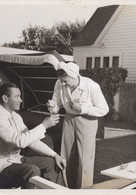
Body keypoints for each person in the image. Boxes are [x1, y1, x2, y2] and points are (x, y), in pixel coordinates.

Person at [0, 82, 66, 189]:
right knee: (32, 170)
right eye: (17, 96)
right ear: (5, 98)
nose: (21, 100)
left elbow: (31, 141)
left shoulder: (15, 116)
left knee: (51, 162)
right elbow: (19, 141)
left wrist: (55, 155)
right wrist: (44, 125)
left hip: (14, 160)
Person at [47, 61, 109, 189]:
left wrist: (83, 109)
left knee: (85, 159)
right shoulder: (59, 83)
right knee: (66, 155)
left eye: (66, 81)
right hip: (69, 119)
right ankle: (65, 187)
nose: (63, 84)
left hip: (87, 121)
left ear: (74, 75)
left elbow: (104, 109)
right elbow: (56, 102)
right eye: (61, 81)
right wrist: (53, 106)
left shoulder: (91, 86)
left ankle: (85, 189)